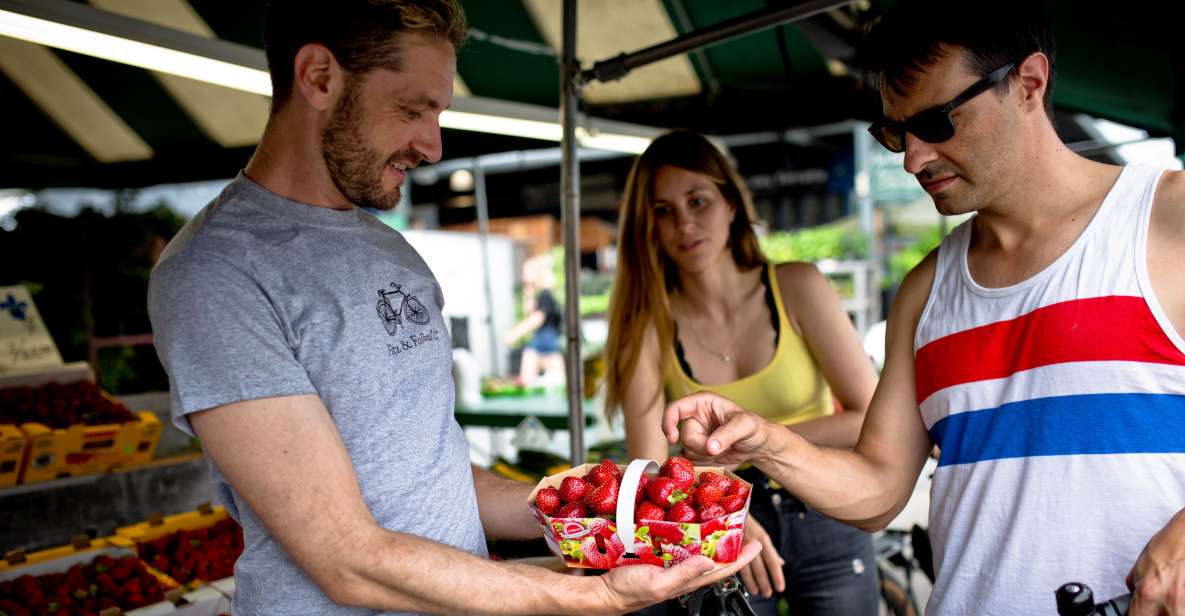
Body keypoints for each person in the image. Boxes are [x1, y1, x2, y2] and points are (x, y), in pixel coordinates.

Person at [147, 2, 759, 614]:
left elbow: (428, 474)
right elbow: (344, 558)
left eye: (436, 114)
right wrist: (592, 595)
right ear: (318, 77)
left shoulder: (393, 254)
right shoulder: (216, 271)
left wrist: (601, 508)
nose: (433, 146)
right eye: (412, 110)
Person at [661, 1, 1185, 614]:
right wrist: (765, 445)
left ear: (1029, 83)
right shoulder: (926, 290)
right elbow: (879, 488)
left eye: (937, 122)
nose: (912, 159)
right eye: (893, 133)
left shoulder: (1165, 220)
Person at [603, 130, 881, 614]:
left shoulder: (798, 286)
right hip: (724, 525)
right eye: (663, 211)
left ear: (731, 203)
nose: (684, 223)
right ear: (648, 227)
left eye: (698, 200)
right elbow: (648, 467)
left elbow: (869, 416)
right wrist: (723, 520)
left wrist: (752, 440)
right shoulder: (646, 326)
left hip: (824, 508)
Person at [504, 254, 564, 387]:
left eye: (527, 271)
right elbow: (529, 313)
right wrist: (529, 291)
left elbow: (537, 319)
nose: (524, 275)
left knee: (535, 382)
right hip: (543, 343)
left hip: (545, 342)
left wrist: (514, 334)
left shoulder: (545, 294)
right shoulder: (539, 295)